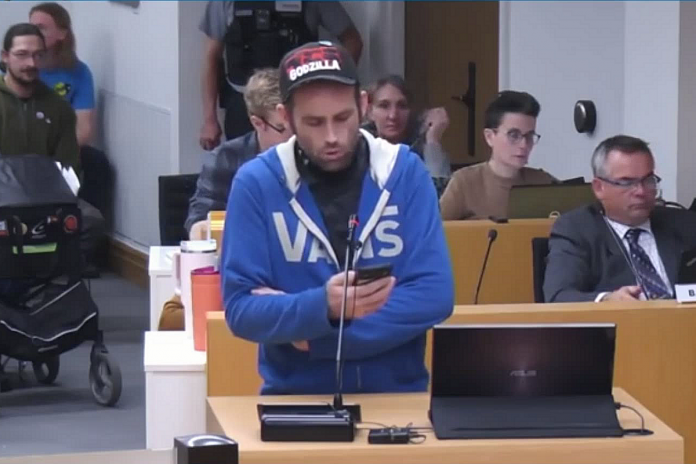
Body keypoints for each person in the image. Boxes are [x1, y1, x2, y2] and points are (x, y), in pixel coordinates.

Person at [220, 41, 454, 395]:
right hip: (294, 400)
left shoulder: (405, 172)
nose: (331, 137)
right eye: (314, 122)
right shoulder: (257, 183)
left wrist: (314, 333)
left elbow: (434, 295)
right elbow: (241, 309)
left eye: (342, 118)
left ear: (362, 106)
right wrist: (321, 305)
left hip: (399, 398)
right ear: (285, 117)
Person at [0, 23, 104, 271]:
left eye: (38, 55)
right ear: (5, 57)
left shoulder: (57, 108)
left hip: (46, 198)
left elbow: (69, 167)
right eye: (22, 54)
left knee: (91, 221)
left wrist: (54, 200)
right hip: (3, 198)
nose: (31, 63)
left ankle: (48, 279)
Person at [544, 135, 696, 303]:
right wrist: (606, 300)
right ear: (599, 188)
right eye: (627, 182)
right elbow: (559, 296)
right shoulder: (576, 229)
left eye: (648, 180)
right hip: (624, 327)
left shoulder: (684, 223)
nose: (641, 191)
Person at [199, 1, 363, 149]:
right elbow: (212, 59)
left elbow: (353, 41)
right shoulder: (223, 3)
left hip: (297, 101)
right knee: (244, 167)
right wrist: (209, 120)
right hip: (243, 105)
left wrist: (330, 88)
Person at [29, 3, 112, 225]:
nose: (34, 34)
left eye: (42, 28)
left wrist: (55, 153)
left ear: (62, 34)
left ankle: (90, 237)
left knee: (96, 161)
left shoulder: (79, 72)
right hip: (21, 150)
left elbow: (84, 130)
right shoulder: (19, 69)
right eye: (31, 27)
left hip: (61, 149)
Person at [186, 68, 291, 240]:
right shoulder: (225, 159)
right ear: (258, 123)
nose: (296, 135)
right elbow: (199, 225)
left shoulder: (314, 156)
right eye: (283, 128)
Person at [439, 91, 556, 220]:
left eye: (529, 136)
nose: (524, 144)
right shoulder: (464, 183)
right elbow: (434, 233)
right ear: (489, 137)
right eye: (513, 135)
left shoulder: (543, 182)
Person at [364, 74, 451, 193]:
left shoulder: (422, 152)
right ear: (369, 112)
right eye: (384, 106)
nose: (393, 115)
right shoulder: (359, 151)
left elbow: (439, 199)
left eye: (402, 106)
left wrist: (432, 140)